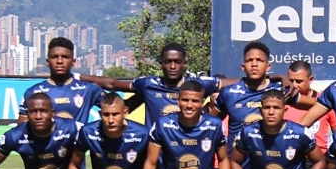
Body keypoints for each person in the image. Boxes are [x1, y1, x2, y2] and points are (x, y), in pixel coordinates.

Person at [130, 80, 234, 169]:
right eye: (185, 100)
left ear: (202, 102)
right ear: (178, 101)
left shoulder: (214, 125)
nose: (189, 105)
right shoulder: (163, 125)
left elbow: (223, 159)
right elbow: (151, 162)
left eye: (195, 101)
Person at [18, 37, 105, 169]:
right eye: (54, 57)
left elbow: (116, 109)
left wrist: (143, 92)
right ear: (47, 61)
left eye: (65, 57)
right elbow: (21, 131)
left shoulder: (88, 89)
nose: (59, 61)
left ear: (74, 61)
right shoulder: (34, 92)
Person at [77, 42, 227, 129]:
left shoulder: (197, 85)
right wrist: (77, 76)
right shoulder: (148, 84)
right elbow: (112, 83)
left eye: (177, 62)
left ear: (185, 64)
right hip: (154, 153)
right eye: (168, 62)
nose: (172, 66)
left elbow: (234, 84)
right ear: (161, 64)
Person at [209, 41, 316, 157]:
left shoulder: (281, 89)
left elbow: (319, 104)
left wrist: (299, 126)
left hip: (271, 160)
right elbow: (209, 124)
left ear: (268, 66)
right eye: (250, 60)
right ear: (243, 66)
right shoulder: (229, 93)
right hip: (237, 162)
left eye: (259, 60)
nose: (254, 64)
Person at [231, 90, 325, 169]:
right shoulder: (248, 133)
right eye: (267, 107)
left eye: (276, 108)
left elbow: (320, 161)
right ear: (260, 110)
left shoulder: (300, 133)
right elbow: (235, 161)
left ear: (285, 110)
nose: (271, 112)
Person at [61, 92, 149, 169]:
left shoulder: (142, 134)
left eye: (115, 114)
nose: (111, 120)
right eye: (106, 114)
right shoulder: (88, 132)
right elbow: (75, 164)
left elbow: (152, 167)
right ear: (100, 114)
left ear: (125, 112)